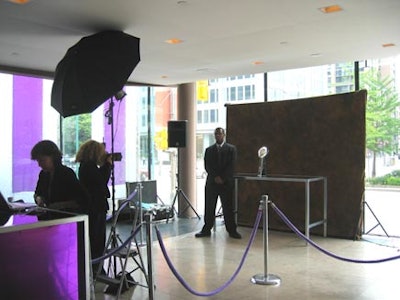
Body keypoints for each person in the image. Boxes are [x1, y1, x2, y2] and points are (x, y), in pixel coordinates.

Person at [195, 127, 242, 239]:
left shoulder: (231, 149)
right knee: (209, 207)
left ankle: (231, 230)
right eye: (216, 134)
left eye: (220, 134)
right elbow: (207, 165)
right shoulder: (209, 150)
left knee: (228, 207)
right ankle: (206, 229)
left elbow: (232, 165)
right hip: (212, 182)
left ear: (224, 135)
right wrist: (215, 176)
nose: (218, 136)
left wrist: (223, 178)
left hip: (226, 183)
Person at [75, 140, 112, 275]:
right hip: (95, 207)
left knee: (95, 238)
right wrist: (107, 165)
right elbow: (101, 182)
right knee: (97, 238)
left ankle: (96, 267)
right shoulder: (89, 167)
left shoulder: (85, 166)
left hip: (93, 207)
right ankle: (97, 268)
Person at [31, 140, 86, 213]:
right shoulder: (43, 174)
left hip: (65, 217)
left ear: (53, 157)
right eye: (38, 161)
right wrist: (39, 198)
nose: (39, 164)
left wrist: (60, 205)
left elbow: (81, 199)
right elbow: (38, 192)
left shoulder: (66, 173)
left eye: (43, 160)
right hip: (48, 216)